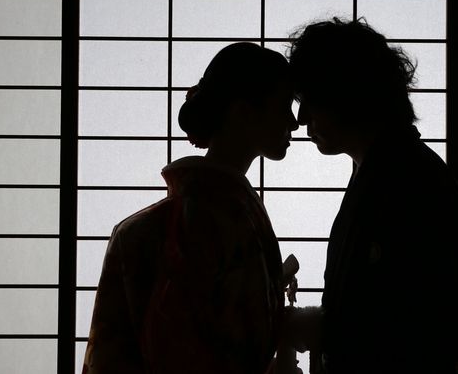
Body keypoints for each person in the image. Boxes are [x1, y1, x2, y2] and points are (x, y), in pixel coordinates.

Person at [285, 17, 458, 374]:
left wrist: (317, 329)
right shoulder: (389, 170)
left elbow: (407, 325)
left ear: (347, 94)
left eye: (311, 100)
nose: (301, 117)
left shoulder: (409, 180)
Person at [82, 42, 299, 374]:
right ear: (242, 112)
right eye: (283, 107)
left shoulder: (184, 217)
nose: (294, 123)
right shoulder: (205, 220)